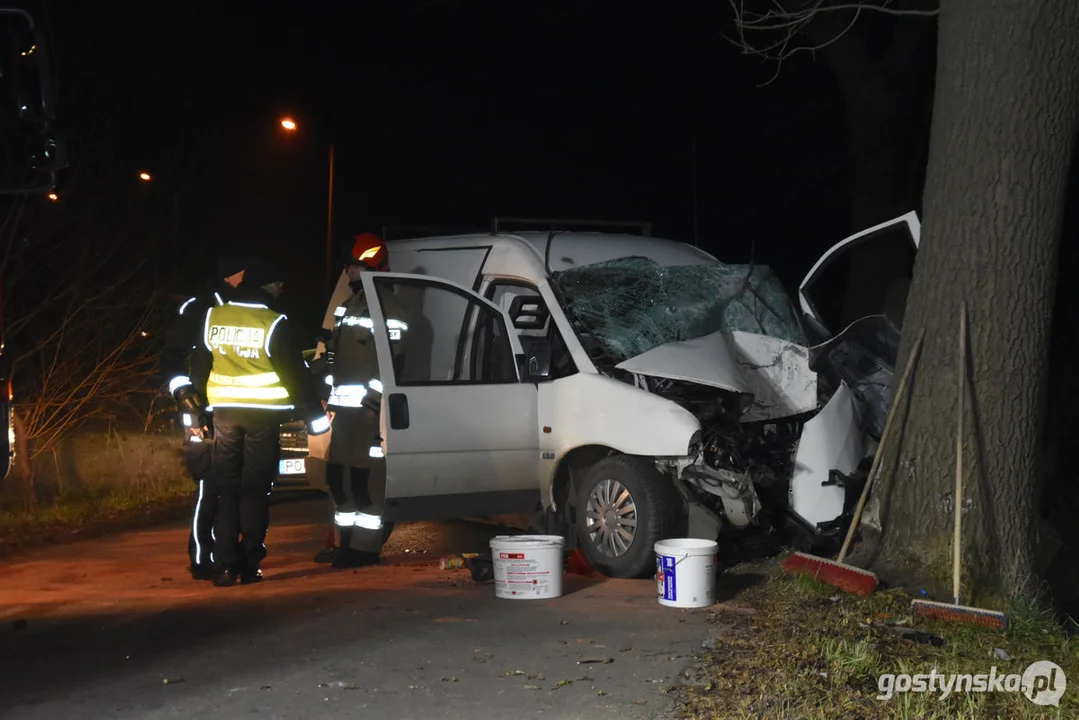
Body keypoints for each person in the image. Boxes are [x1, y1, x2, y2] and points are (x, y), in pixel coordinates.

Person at [190, 254, 330, 586]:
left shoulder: (214, 316)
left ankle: (225, 566)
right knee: (254, 490)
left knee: (226, 491)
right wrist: (315, 418)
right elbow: (294, 375)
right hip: (262, 418)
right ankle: (250, 563)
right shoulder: (274, 322)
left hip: (224, 414)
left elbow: (199, 366)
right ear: (269, 286)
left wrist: (198, 411)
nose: (283, 289)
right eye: (280, 284)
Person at [314, 233, 408, 568]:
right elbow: (335, 358)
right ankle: (345, 545)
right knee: (340, 478)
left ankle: (365, 550)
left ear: (370, 267)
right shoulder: (346, 306)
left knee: (366, 482)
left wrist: (373, 401)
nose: (348, 272)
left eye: (354, 266)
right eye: (348, 265)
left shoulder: (390, 309)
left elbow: (393, 362)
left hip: (371, 416)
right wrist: (323, 388)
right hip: (344, 414)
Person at [160, 279, 225, 581]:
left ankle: (225, 554)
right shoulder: (201, 308)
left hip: (229, 410)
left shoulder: (243, 306)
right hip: (200, 412)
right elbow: (170, 358)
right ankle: (201, 557)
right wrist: (183, 393)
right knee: (209, 486)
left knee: (230, 488)